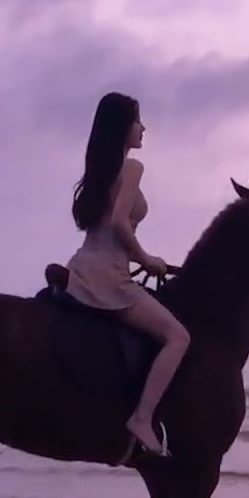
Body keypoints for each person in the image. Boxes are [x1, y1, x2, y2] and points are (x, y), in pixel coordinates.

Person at [64, 91, 189, 458]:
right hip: (110, 278)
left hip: (83, 267)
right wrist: (147, 258)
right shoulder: (132, 168)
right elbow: (119, 221)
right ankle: (142, 418)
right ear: (122, 127)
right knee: (177, 337)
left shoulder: (99, 171)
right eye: (137, 120)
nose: (143, 128)